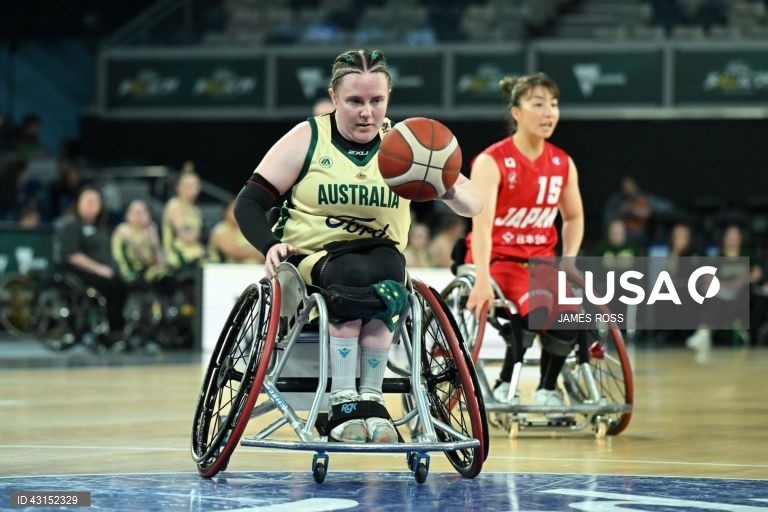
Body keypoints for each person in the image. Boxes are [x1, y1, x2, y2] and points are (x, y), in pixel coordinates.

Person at [233, 49, 482, 444]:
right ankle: (344, 397)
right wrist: (269, 245)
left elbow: (476, 203)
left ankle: (372, 395)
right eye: (355, 101)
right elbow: (248, 203)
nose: (367, 112)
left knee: (386, 266)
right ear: (334, 98)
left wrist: (447, 185)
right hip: (314, 261)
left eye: (377, 101)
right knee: (354, 273)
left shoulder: (406, 144)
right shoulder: (308, 137)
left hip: (383, 260)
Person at [464, 72, 585, 409]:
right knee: (538, 306)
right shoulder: (491, 161)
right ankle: (505, 382)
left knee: (573, 315)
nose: (549, 113)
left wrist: (570, 261)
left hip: (541, 262)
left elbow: (573, 217)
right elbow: (482, 226)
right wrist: (482, 279)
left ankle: (547, 388)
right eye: (538, 105)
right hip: (500, 260)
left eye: (555, 105)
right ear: (516, 112)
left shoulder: (562, 162)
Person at [57, 185, 127, 344]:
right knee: (108, 285)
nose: (91, 204)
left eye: (95, 201)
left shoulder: (100, 229)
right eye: (88, 201)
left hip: (103, 272)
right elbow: (73, 256)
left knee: (121, 284)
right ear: (78, 203)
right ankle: (111, 332)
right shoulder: (72, 225)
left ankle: (118, 331)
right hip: (77, 273)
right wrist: (100, 270)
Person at [111, 199, 166, 283]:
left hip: (149, 272)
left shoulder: (151, 231)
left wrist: (154, 242)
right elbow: (120, 258)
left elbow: (160, 263)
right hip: (129, 273)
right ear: (127, 215)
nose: (139, 215)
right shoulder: (123, 230)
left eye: (143, 212)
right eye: (135, 212)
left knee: (167, 278)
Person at [162, 163, 205, 268]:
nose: (193, 189)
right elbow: (186, 236)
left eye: (196, 185)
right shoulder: (174, 206)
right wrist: (197, 233)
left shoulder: (195, 209)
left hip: (195, 255)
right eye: (189, 186)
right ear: (178, 187)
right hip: (178, 258)